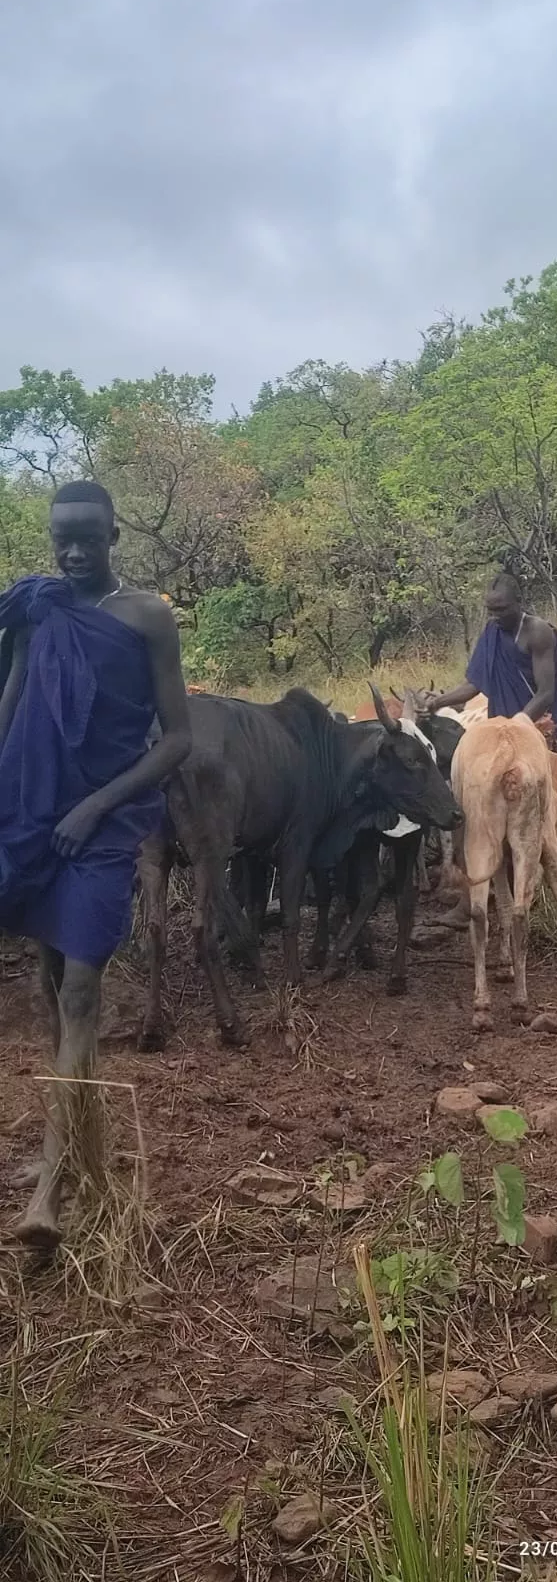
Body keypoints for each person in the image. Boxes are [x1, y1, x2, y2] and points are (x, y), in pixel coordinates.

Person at [0, 480, 191, 1249]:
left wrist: (96, 806)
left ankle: (49, 1188)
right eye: (62, 538)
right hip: (29, 810)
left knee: (82, 988)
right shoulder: (38, 608)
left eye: (88, 536)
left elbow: (175, 738)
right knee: (50, 983)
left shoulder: (147, 617)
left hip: (105, 826)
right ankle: (80, 1145)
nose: (73, 551)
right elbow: (12, 702)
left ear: (116, 533)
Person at [426, 573, 557, 757]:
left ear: (519, 601)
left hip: (547, 727)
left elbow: (545, 693)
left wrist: (516, 726)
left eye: (502, 609)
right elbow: (474, 685)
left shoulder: (538, 631)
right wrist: (436, 703)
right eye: (491, 611)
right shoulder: (492, 632)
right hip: (507, 732)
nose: (495, 617)